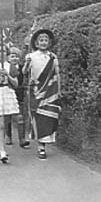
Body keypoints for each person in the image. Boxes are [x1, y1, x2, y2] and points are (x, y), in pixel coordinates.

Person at [23, 29, 61, 159]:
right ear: (36, 42)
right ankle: (41, 147)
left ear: (49, 42)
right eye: (41, 40)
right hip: (36, 91)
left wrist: (59, 91)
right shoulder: (31, 56)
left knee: (49, 117)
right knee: (39, 117)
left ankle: (46, 142)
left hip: (51, 92)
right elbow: (24, 72)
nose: (44, 43)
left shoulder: (53, 57)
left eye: (46, 40)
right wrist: (27, 63)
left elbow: (57, 74)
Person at [4, 46, 30, 148]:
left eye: (16, 56)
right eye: (12, 56)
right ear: (8, 58)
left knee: (20, 117)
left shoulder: (22, 68)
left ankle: (22, 139)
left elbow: (25, 76)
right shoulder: (5, 68)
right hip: (8, 93)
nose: (14, 58)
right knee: (7, 117)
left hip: (19, 95)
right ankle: (8, 135)